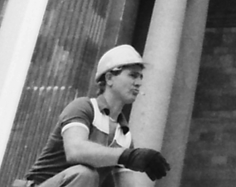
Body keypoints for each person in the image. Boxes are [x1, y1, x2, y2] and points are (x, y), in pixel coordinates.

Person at [24, 44, 171, 186]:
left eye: (140, 77)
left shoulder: (124, 137)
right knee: (85, 174)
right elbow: (75, 150)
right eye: (133, 75)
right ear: (109, 78)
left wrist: (128, 156)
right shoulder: (83, 107)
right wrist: (127, 156)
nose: (138, 83)